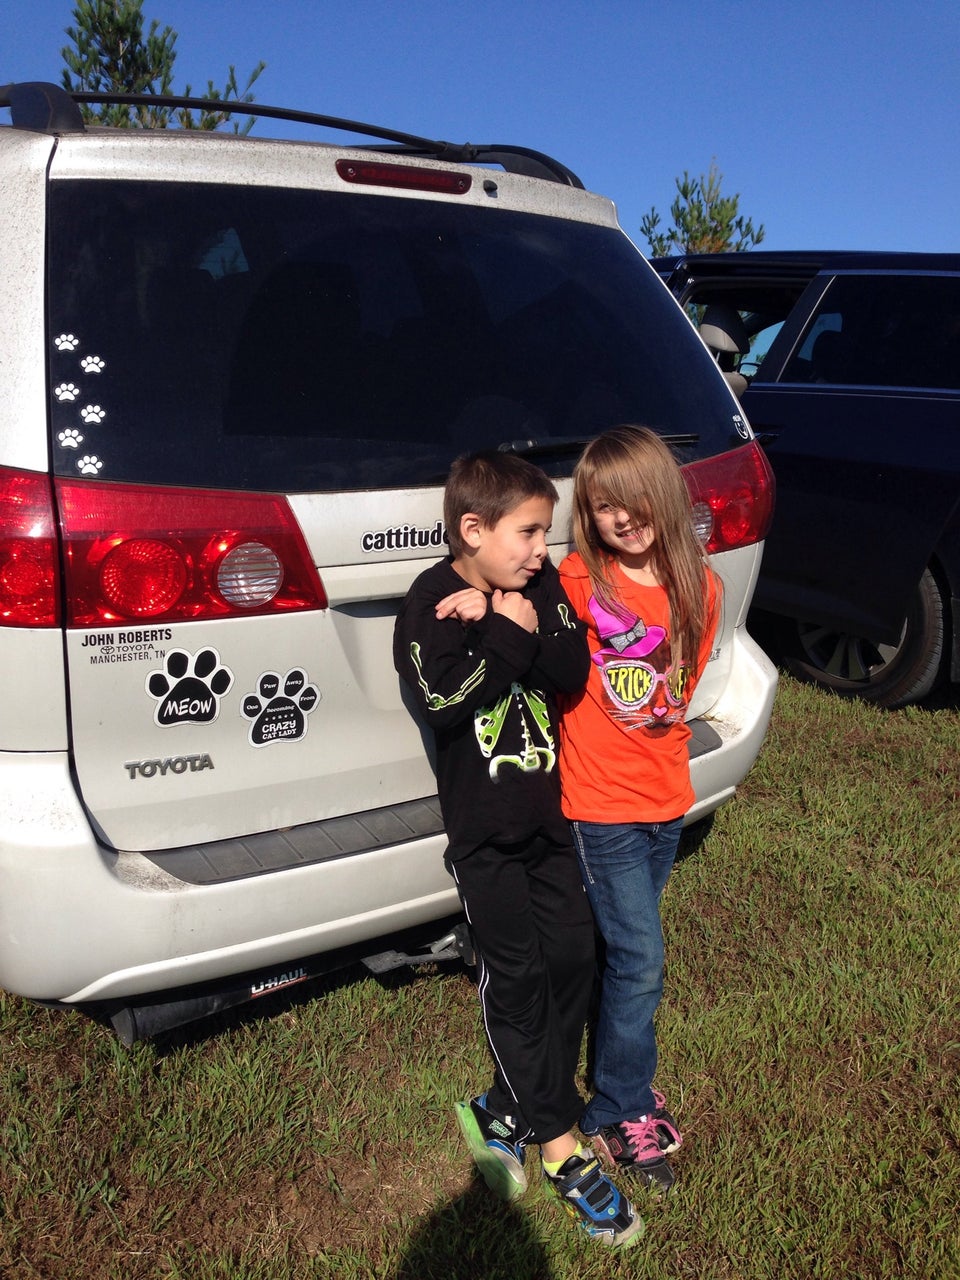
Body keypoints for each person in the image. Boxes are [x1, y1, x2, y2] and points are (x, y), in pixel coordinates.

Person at [393, 450, 643, 1249]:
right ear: (473, 529)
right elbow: (442, 698)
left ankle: (501, 1107)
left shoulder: (538, 588)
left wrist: (510, 612)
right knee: (516, 976)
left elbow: (570, 669)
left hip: (552, 820)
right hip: (485, 836)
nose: (543, 550)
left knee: (571, 958)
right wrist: (502, 631)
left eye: (546, 533)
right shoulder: (429, 600)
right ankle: (563, 1146)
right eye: (529, 533)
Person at [557, 425, 722, 1193]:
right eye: (602, 506)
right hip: (601, 805)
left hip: (666, 801)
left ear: (664, 494)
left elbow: (678, 692)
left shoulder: (701, 588)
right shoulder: (578, 583)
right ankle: (618, 1108)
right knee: (642, 956)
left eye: (632, 500)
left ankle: (615, 1068)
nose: (621, 517)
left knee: (626, 951)